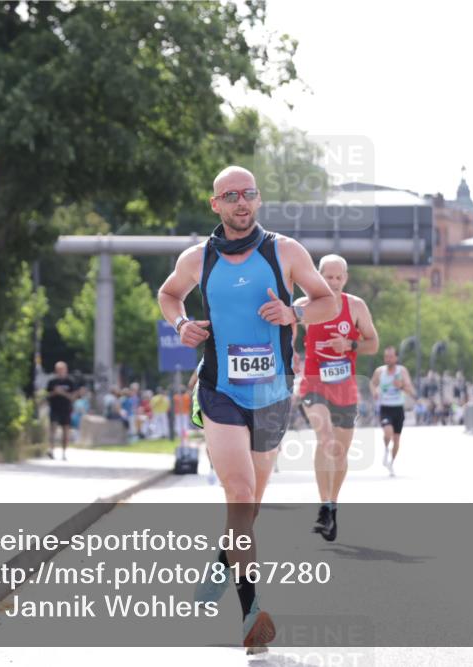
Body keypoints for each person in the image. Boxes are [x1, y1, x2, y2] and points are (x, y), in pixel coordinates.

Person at [157, 165, 338, 651]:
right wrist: (180, 326)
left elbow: (327, 302)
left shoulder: (285, 252)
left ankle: (224, 560)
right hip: (220, 390)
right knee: (237, 491)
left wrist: (294, 311)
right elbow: (168, 294)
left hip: (273, 393)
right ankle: (250, 614)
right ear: (214, 204)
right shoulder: (199, 259)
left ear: (257, 201)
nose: (241, 202)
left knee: (249, 506)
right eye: (230, 195)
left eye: (249, 194)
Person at [292, 254, 379, 542]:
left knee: (339, 451)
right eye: (327, 276)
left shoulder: (355, 306)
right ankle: (323, 504)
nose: (333, 282)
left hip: (344, 386)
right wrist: (289, 354)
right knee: (325, 438)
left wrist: (350, 344)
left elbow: (373, 344)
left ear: (346, 278)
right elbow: (284, 331)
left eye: (338, 277)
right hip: (313, 383)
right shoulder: (305, 306)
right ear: (318, 276)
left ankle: (332, 506)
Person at [370, 346, 417, 476]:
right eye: (386, 356)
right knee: (388, 432)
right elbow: (372, 383)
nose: (388, 359)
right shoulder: (380, 371)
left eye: (391, 356)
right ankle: (385, 449)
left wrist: (401, 385)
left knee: (396, 439)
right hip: (385, 407)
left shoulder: (402, 371)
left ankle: (391, 462)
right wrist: (374, 392)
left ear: (396, 358)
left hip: (398, 408)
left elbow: (411, 391)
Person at [46, 361, 77, 460]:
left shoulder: (70, 382)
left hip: (66, 409)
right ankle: (51, 450)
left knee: (65, 431)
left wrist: (63, 393)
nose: (60, 372)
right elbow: (47, 395)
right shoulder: (52, 382)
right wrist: (55, 392)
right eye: (58, 370)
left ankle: (64, 453)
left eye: (62, 369)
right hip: (54, 408)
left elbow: (73, 397)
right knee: (53, 429)